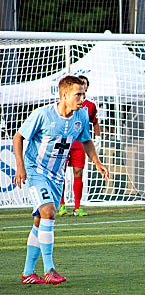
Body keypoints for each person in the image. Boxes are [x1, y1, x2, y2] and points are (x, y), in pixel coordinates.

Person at [13, 75, 109, 285]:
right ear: (64, 95)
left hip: (56, 176)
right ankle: (50, 269)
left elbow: (86, 141)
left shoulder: (81, 116)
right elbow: (18, 137)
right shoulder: (43, 114)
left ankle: (28, 273)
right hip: (36, 171)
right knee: (49, 212)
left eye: (84, 93)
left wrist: (97, 162)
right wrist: (20, 166)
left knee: (40, 221)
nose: (82, 98)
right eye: (78, 94)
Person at [58, 75, 101, 217]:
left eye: (84, 85)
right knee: (60, 173)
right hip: (64, 143)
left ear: (87, 87)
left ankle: (77, 206)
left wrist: (97, 138)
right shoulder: (65, 105)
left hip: (80, 143)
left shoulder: (90, 106)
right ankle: (61, 204)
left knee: (78, 172)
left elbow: (94, 121)